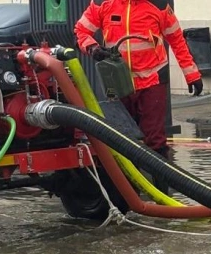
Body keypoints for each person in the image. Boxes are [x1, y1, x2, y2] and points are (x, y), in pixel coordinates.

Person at [74, 0, 203, 167]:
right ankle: (128, 187)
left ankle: (159, 184)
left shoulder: (159, 5)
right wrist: (92, 48)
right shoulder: (102, 3)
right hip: (119, 83)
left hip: (152, 81)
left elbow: (176, 39)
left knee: (155, 141)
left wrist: (191, 74)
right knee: (122, 140)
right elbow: (81, 31)